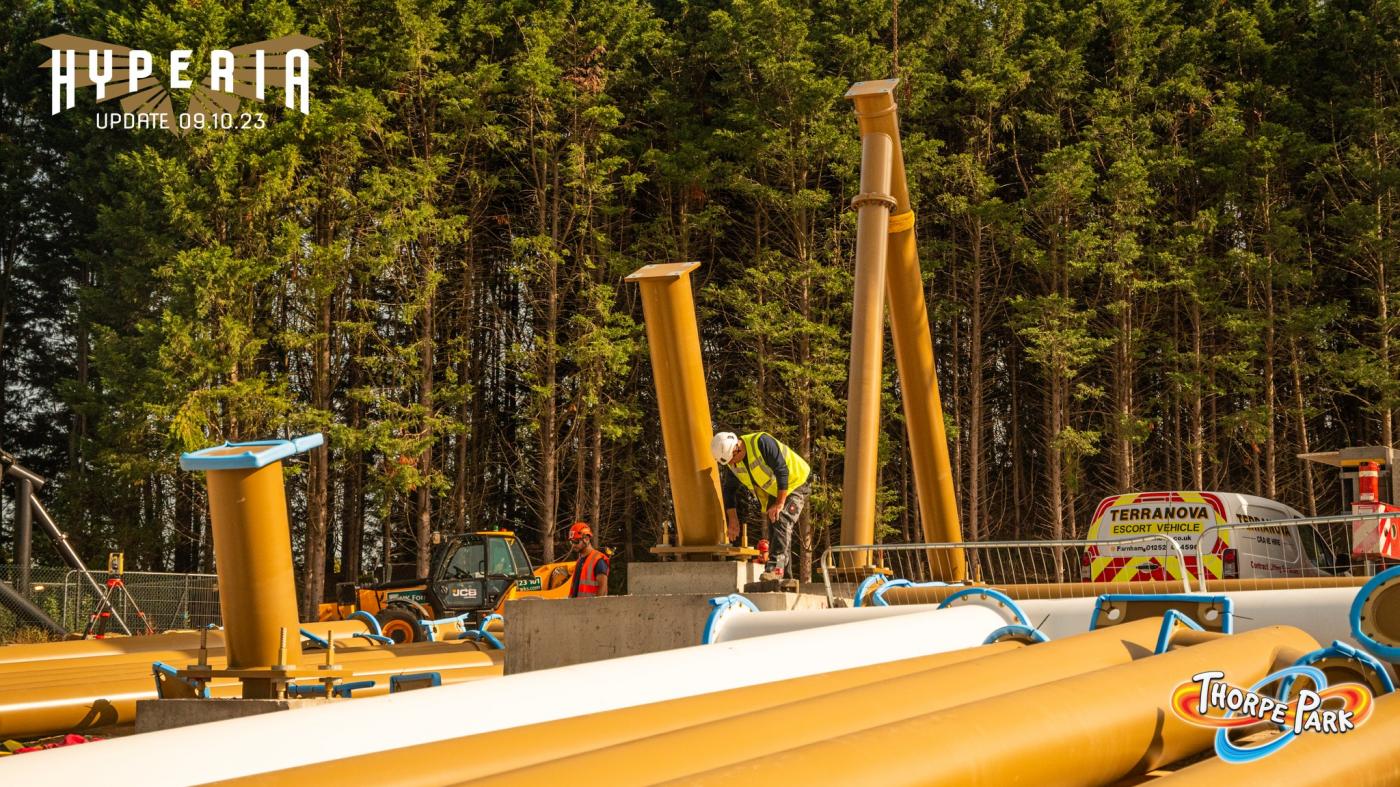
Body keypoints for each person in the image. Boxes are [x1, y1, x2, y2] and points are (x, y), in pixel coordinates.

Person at [710, 431, 812, 580]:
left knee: (781, 518)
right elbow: (729, 491)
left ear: (737, 448)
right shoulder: (733, 464)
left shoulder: (761, 443)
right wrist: (733, 520)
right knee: (776, 533)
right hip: (776, 490)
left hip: (797, 482)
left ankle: (775, 569)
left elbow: (782, 471)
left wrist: (779, 504)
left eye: (732, 460)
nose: (732, 464)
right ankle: (785, 578)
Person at [566, 521, 610, 598]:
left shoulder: (598, 560)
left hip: (591, 605)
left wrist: (595, 606)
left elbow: (602, 593)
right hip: (578, 605)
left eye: (576, 541)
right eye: (571, 542)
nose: (573, 545)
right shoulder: (580, 561)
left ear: (586, 539)